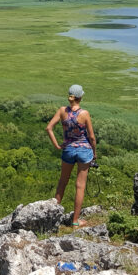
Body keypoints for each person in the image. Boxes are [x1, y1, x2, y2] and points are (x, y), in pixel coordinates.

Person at [46, 84, 97, 226]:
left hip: (68, 149)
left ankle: (52, 216)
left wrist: (57, 145)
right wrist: (94, 153)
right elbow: (92, 137)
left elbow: (49, 128)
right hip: (84, 150)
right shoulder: (84, 114)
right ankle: (75, 221)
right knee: (80, 186)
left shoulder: (62, 111)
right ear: (80, 97)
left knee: (62, 181)